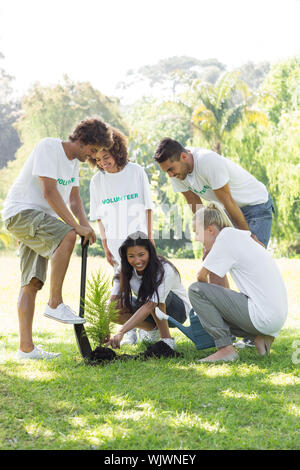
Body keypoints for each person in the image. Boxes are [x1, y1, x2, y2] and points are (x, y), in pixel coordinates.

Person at [2, 117, 113, 360]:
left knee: (31, 282)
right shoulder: (49, 147)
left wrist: (86, 226)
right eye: (93, 151)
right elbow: (49, 192)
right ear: (82, 140)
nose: (94, 157)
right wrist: (75, 228)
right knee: (68, 235)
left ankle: (25, 349)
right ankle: (55, 303)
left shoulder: (74, 163)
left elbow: (74, 200)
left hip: (39, 218)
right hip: (22, 213)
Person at [154, 137, 275, 347]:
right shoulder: (178, 173)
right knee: (215, 267)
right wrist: (206, 244)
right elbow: (195, 205)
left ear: (184, 156)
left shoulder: (208, 162)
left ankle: (261, 329)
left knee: (249, 268)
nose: (171, 174)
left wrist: (245, 236)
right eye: (167, 172)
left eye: (172, 169)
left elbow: (227, 199)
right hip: (229, 212)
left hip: (255, 208)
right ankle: (231, 332)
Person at [187, 203, 288, 363]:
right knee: (209, 301)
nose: (197, 239)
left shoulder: (225, 237)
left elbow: (200, 278)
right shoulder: (238, 236)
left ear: (210, 230)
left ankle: (226, 349)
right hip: (274, 319)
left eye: (197, 233)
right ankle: (261, 338)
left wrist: (206, 262)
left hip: (262, 316)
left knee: (195, 290)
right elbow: (220, 291)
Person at [88, 127, 154, 345]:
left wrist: (150, 240)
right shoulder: (97, 181)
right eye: (97, 159)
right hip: (116, 247)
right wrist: (105, 246)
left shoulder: (136, 172)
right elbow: (98, 216)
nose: (102, 163)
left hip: (139, 243)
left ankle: (151, 329)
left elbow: (147, 208)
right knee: (122, 290)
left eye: (105, 157)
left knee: (145, 288)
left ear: (116, 150)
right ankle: (131, 332)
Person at [106, 232, 190, 350]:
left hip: (177, 312)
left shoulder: (165, 269)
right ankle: (151, 329)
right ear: (126, 256)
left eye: (141, 254)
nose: (137, 260)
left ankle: (167, 340)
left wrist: (121, 332)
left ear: (150, 253)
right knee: (116, 307)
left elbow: (151, 304)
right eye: (131, 256)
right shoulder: (123, 270)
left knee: (153, 296)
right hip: (148, 306)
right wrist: (104, 327)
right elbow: (113, 300)